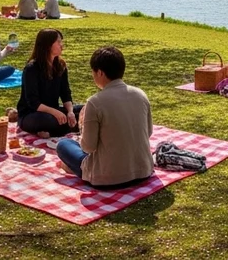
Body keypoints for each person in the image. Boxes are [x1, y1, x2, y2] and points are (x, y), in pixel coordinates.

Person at [55, 46, 154, 188]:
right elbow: (148, 132)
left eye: (93, 72)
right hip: (143, 171)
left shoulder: (95, 102)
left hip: (108, 178)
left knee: (64, 145)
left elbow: (88, 147)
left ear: (100, 72)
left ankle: (75, 168)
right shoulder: (140, 94)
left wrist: (83, 126)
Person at [17, 29, 81, 137]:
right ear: (48, 45)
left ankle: (58, 130)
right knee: (48, 120)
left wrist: (70, 112)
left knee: (84, 110)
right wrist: (55, 113)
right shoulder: (32, 69)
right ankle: (72, 128)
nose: (62, 45)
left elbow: (66, 94)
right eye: (58, 42)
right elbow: (33, 103)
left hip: (54, 110)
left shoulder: (60, 66)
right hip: (32, 114)